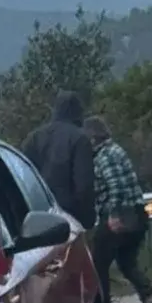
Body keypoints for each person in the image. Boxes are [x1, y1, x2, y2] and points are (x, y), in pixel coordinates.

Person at [84, 116, 152, 303]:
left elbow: (116, 187)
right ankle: (151, 299)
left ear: (93, 138)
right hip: (137, 214)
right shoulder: (117, 150)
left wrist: (113, 215)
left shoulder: (105, 156)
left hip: (121, 215)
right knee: (127, 262)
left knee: (98, 262)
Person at [22, 91, 97, 232]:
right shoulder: (80, 139)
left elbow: (25, 178)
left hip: (38, 217)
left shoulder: (34, 137)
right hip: (70, 218)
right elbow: (84, 185)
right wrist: (88, 219)